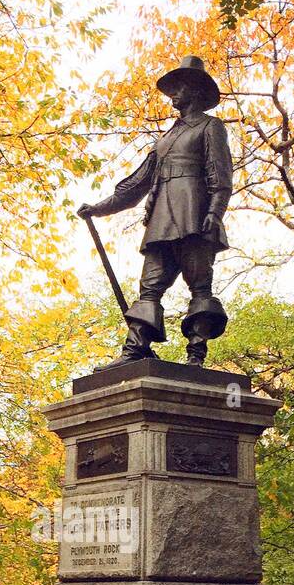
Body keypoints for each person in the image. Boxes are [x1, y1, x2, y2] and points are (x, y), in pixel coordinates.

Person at [78, 55, 233, 368]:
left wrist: (214, 215)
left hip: (194, 217)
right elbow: (135, 185)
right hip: (162, 221)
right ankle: (135, 350)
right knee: (149, 286)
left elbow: (221, 177)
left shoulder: (210, 127)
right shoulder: (163, 141)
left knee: (200, 286)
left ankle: (196, 356)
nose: (174, 94)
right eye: (172, 88)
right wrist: (98, 208)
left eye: (181, 87)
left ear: (197, 92)